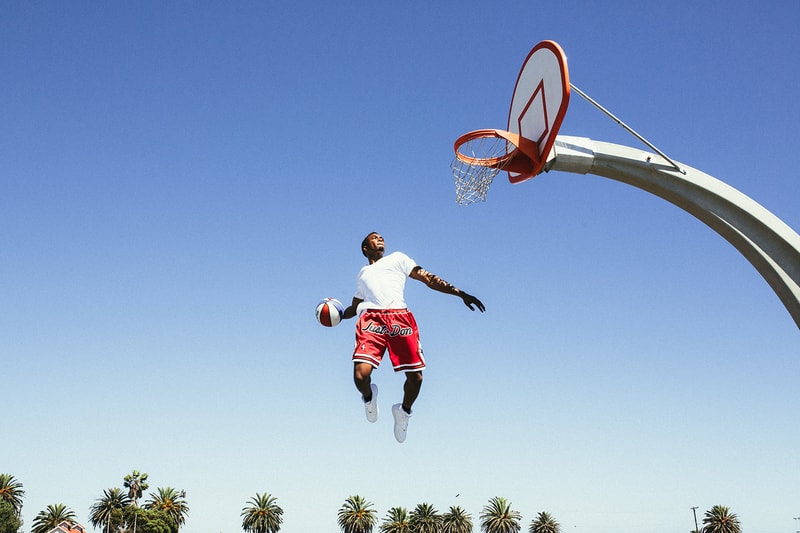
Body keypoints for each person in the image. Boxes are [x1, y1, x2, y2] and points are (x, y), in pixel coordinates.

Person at [342, 232, 485, 443]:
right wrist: (336, 315)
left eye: (382, 237)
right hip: (372, 320)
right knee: (360, 376)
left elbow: (427, 278)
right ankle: (369, 397)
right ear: (365, 247)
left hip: (399, 318)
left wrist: (459, 293)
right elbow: (354, 307)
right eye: (374, 237)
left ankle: (404, 412)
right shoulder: (363, 273)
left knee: (416, 378)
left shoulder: (398, 258)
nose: (380, 238)